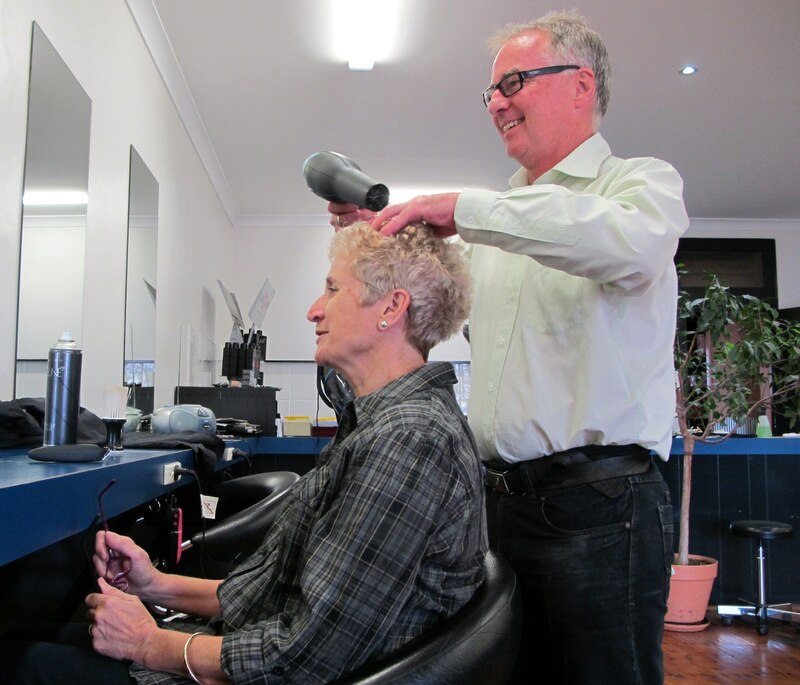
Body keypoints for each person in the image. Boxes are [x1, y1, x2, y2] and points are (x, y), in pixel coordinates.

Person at [328, 11, 689, 685]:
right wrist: (373, 237)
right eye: (491, 91)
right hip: (499, 507)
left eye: (515, 82)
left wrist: (468, 209)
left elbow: (630, 246)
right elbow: (417, 305)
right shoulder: (495, 229)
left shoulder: (642, 187)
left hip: (601, 510)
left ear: (581, 85)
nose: (496, 103)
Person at [1, 222, 486, 684]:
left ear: (391, 307)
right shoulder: (380, 427)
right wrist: (155, 585)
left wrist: (149, 643)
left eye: (333, 289)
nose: (314, 310)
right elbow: (278, 594)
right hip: (237, 650)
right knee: (22, 637)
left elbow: (304, 659)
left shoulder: (409, 438)